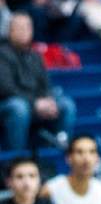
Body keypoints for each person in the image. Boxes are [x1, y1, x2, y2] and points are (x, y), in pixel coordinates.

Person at [0, 12, 76, 151]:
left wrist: (48, 100)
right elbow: (6, 88)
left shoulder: (35, 55)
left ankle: (61, 151)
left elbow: (46, 84)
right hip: (9, 103)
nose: (24, 31)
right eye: (20, 27)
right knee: (18, 108)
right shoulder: (2, 54)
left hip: (34, 102)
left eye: (28, 27)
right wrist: (34, 103)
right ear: (10, 30)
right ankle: (17, 157)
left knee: (66, 104)